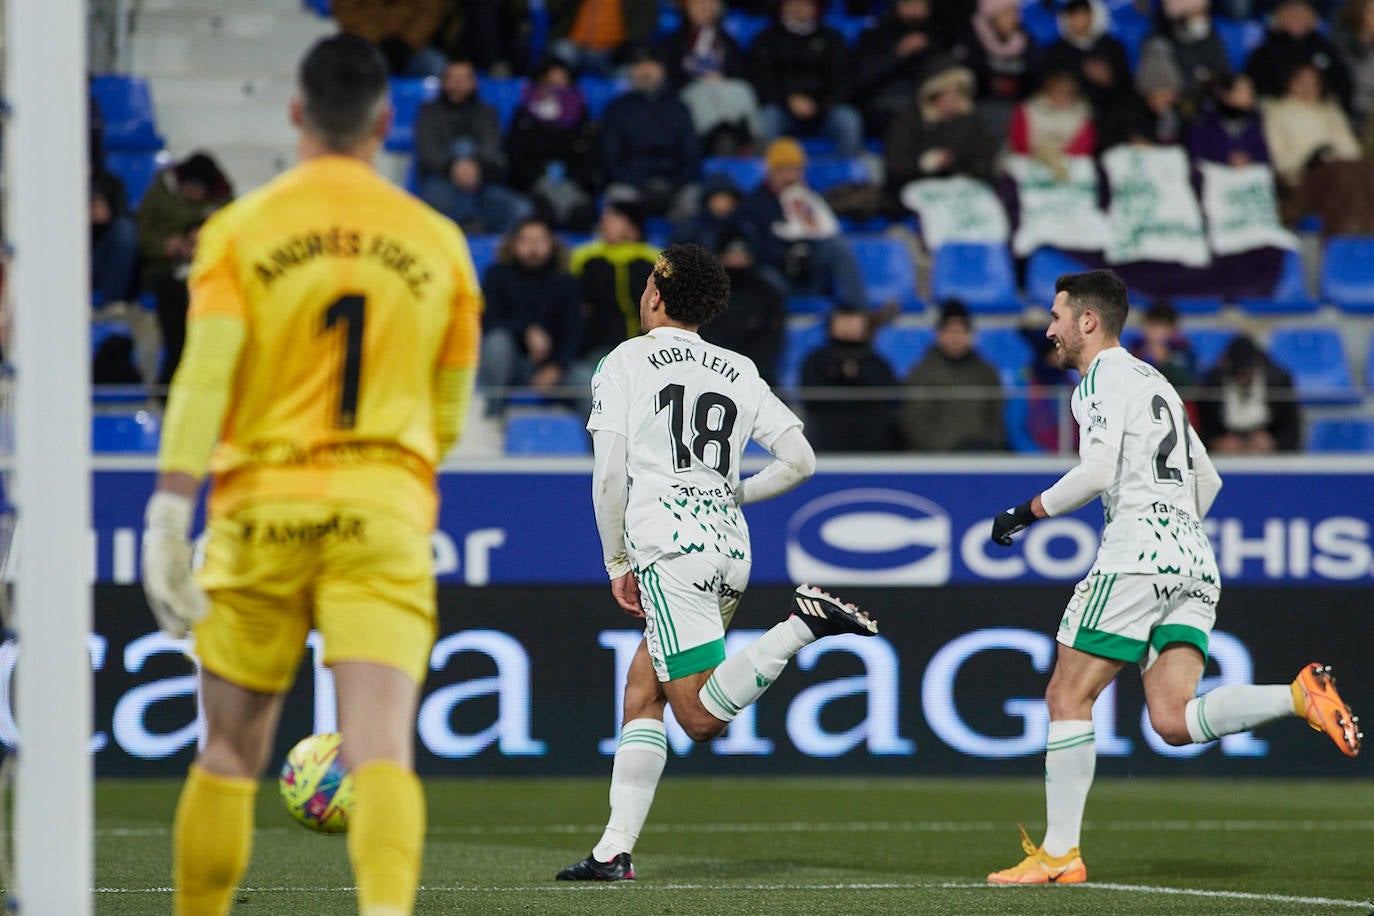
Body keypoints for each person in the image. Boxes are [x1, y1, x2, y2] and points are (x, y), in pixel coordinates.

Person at [139, 35, 483, 915]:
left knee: (229, 754)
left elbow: (204, 377)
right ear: (386, 120)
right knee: (380, 753)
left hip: (262, 509)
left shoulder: (239, 232)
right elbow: (445, 418)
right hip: (382, 512)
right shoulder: (440, 244)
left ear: (296, 113)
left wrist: (170, 516)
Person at [985, 270, 1360, 886]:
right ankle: (1297, 698)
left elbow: (1098, 470)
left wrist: (1025, 513)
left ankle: (1059, 855)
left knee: (1066, 697)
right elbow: (1207, 480)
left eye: (1056, 316)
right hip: (1193, 556)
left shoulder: (1100, 379)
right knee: (1172, 719)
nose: (1048, 329)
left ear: (1087, 321)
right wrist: (1173, 527)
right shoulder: (1154, 380)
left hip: (1137, 554)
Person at [557, 242, 878, 881]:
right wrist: (735, 490)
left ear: (655, 294)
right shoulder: (737, 367)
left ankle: (802, 626)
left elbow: (608, 474)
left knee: (698, 716)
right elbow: (801, 460)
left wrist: (615, 557)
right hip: (729, 546)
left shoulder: (625, 360)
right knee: (643, 691)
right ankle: (612, 850)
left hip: (667, 545)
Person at [736, 138, 869, 310]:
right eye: (783, 170)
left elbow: (827, 232)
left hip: (811, 272)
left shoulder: (808, 198)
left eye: (796, 170)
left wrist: (807, 246)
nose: (790, 176)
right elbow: (753, 249)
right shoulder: (754, 205)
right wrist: (786, 255)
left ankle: (858, 314)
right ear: (771, 172)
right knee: (763, 276)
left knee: (838, 247)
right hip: (779, 277)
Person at [415, 59, 534, 234]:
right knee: (462, 148)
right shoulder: (428, 111)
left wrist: (474, 167)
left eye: (463, 79)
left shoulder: (487, 112)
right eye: (452, 78)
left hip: (482, 186)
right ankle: (470, 222)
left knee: (522, 209)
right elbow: (428, 151)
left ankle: (469, 222)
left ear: (474, 82)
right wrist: (454, 167)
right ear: (443, 82)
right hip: (440, 184)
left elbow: (491, 147)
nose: (458, 84)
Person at [479, 217, 583, 415]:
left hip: (555, 367)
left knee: (588, 380)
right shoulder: (497, 275)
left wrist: (556, 367)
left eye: (540, 241)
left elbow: (575, 331)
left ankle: (596, 443)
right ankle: (492, 414)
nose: (532, 248)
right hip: (512, 364)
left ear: (552, 244)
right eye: (525, 241)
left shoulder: (566, 281)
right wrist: (526, 330)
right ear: (513, 245)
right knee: (497, 342)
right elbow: (488, 320)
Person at [599, 43, 702, 219]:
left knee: (693, 196)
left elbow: (691, 154)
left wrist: (673, 184)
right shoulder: (617, 109)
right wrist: (639, 183)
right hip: (632, 185)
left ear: (662, 69)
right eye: (638, 65)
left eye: (651, 65)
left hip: (673, 184)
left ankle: (680, 247)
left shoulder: (679, 107)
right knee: (618, 195)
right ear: (630, 71)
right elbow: (610, 158)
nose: (645, 71)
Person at [750, 0, 865, 157]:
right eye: (792, 4)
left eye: (805, 4)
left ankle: (845, 176)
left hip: (824, 109)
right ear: (782, 7)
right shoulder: (767, 39)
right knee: (767, 119)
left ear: (816, 7)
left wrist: (820, 103)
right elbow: (761, 80)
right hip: (782, 108)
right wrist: (788, 100)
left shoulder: (832, 39)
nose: (798, 9)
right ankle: (771, 175)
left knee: (848, 120)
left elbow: (843, 80)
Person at [899, 300, 1006, 452]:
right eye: (950, 331)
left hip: (979, 458)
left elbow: (997, 418)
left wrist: (985, 445)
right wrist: (950, 449)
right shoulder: (921, 373)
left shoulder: (986, 372)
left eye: (961, 331)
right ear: (939, 334)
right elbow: (913, 422)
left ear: (970, 334)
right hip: (935, 460)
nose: (955, 337)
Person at [885, 57, 1001, 195]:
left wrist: (955, 164)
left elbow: (985, 161)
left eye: (958, 90)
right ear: (933, 93)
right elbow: (895, 166)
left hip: (962, 189)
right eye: (946, 92)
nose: (953, 97)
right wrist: (923, 164)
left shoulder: (971, 120)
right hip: (918, 189)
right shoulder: (909, 119)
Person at [661, 0, 762, 155]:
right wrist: (700, 79)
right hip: (690, 90)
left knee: (742, 89)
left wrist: (720, 78)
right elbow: (669, 77)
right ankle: (714, 140)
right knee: (703, 93)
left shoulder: (728, 41)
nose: (704, 8)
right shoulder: (672, 43)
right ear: (687, 9)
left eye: (710, 4)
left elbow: (740, 72)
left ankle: (751, 140)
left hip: (724, 87)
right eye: (698, 4)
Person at [800, 306, 903, 452]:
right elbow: (811, 396)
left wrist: (858, 375)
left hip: (873, 446)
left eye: (853, 319)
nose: (849, 324)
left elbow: (890, 395)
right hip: (825, 442)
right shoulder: (816, 361)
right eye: (844, 319)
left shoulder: (876, 363)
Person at [700, 231, 786, 386]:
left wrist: (744, 366)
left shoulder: (766, 292)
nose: (737, 259)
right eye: (732, 253)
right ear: (720, 256)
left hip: (755, 372)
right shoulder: (705, 291)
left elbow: (772, 335)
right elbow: (699, 332)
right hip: (710, 369)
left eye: (742, 253)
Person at [852, 0, 944, 138]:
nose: (915, 9)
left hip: (924, 100)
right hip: (881, 103)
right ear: (897, 6)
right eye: (910, 4)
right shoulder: (874, 35)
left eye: (920, 5)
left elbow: (945, 75)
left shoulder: (937, 36)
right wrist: (899, 53)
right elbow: (862, 78)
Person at [1197, 334, 1302, 452]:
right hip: (1226, 450)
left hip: (1269, 452)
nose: (1241, 378)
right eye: (1236, 372)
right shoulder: (1212, 382)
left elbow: (1292, 430)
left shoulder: (1279, 381)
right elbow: (1202, 428)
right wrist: (1216, 443)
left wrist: (1274, 442)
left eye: (1245, 372)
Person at [1246, 0, 1352, 109]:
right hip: (1278, 111)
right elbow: (1252, 88)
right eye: (1291, 13)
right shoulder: (1263, 53)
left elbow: (1342, 86)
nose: (1297, 17)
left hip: (1321, 112)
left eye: (1302, 13)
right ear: (1278, 17)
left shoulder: (1327, 50)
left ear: (1313, 18)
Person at [1040, 0, 1132, 113]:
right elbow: (1045, 83)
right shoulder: (1056, 51)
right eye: (1072, 16)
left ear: (1093, 16)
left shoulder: (1112, 47)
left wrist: (1109, 80)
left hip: (1108, 110)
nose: (1077, 21)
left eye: (1082, 15)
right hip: (1068, 112)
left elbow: (1127, 85)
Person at [1008, 70, 1097, 182]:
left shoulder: (1082, 113)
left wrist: (1057, 157)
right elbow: (1019, 143)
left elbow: (1084, 145)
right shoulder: (1027, 110)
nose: (1061, 95)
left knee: (1084, 165)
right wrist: (1045, 156)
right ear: (1046, 91)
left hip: (1067, 161)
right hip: (1030, 159)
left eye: (1066, 92)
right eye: (1056, 91)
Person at [333, 0, 447, 77]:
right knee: (342, 67)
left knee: (436, 66)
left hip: (411, 48)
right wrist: (377, 41)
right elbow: (346, 11)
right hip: (364, 45)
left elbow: (429, 14)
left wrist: (407, 43)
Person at [1186, 73, 1271, 165]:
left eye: (1251, 89)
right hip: (1215, 173)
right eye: (1243, 91)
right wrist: (1226, 159)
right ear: (1225, 94)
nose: (1250, 95)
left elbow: (1265, 155)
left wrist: (1249, 159)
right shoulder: (1203, 121)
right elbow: (1197, 156)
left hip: (1250, 173)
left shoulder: (1256, 119)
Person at [1127, 301, 1197, 391]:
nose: (1155, 332)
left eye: (1161, 326)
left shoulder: (1185, 352)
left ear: (1173, 330)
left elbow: (1189, 384)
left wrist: (1164, 362)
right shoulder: (1135, 352)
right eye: (1151, 325)